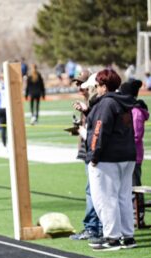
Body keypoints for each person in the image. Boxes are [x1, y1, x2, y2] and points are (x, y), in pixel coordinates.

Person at [82, 69, 137, 250]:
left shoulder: (106, 104)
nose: (96, 89)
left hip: (108, 158)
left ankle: (112, 237)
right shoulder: (124, 102)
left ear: (104, 87)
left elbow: (99, 130)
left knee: (105, 198)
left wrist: (94, 155)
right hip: (127, 156)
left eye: (97, 86)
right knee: (123, 197)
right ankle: (128, 236)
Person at [69, 70, 103, 241]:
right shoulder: (88, 101)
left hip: (93, 151)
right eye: (77, 84)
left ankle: (94, 228)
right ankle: (95, 227)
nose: (79, 87)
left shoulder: (94, 101)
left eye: (81, 83)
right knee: (92, 190)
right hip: (86, 149)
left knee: (93, 191)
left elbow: (96, 127)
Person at [120, 79, 149, 227]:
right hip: (128, 153)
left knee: (135, 187)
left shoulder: (136, 112)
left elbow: (136, 135)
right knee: (128, 187)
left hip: (134, 155)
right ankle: (132, 216)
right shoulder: (130, 109)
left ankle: (139, 217)